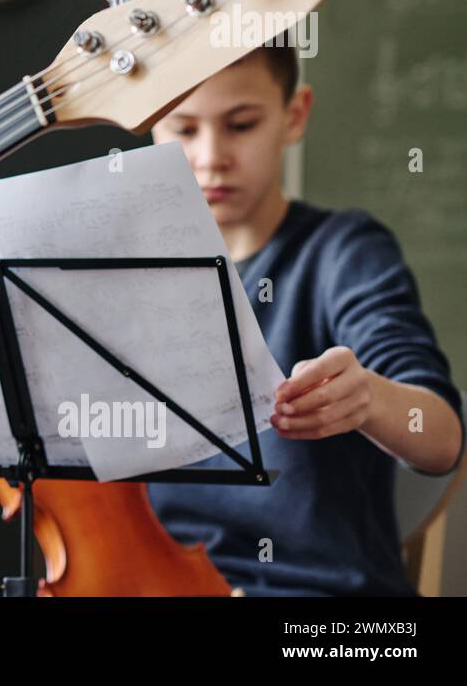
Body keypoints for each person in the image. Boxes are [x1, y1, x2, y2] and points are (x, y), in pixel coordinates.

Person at [146, 41, 464, 595]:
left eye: (241, 124)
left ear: (294, 116)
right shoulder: (127, 275)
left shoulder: (344, 251)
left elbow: (440, 437)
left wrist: (367, 398)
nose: (211, 156)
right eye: (184, 129)